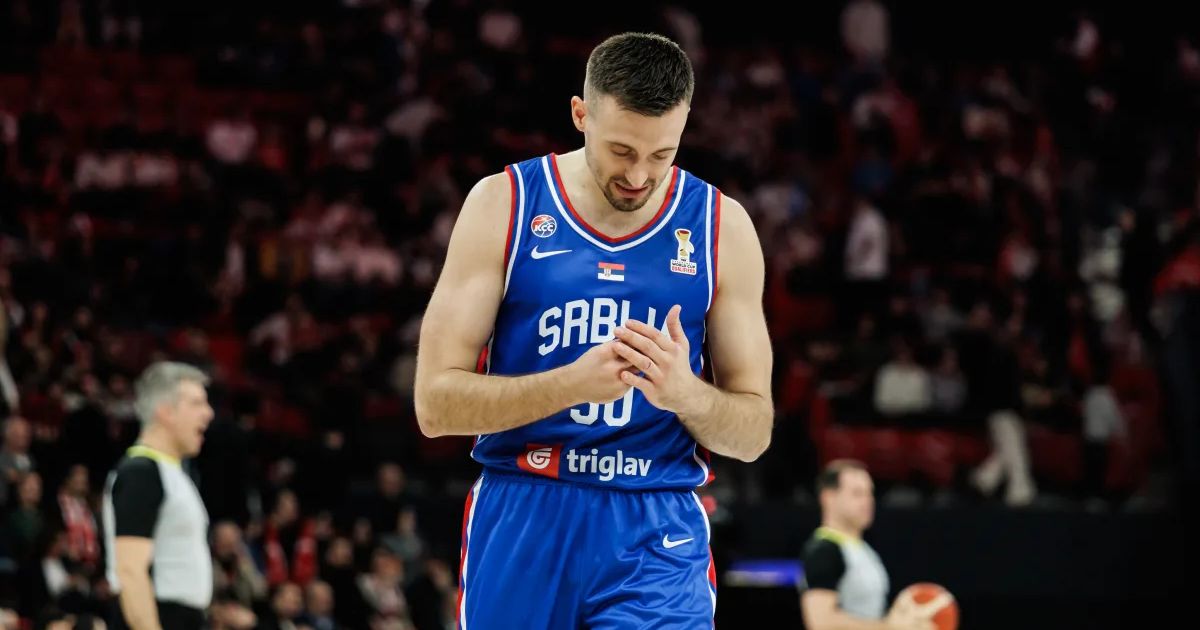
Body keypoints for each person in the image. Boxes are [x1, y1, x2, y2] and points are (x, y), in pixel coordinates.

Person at [415, 32, 774, 628]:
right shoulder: (505, 203)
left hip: (655, 520)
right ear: (581, 115)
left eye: (661, 154)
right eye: (622, 150)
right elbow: (434, 406)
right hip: (525, 504)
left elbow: (753, 432)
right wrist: (571, 384)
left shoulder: (721, 227)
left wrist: (684, 393)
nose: (639, 174)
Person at [100, 362, 215, 630]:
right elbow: (130, 571)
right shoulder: (141, 472)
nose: (208, 413)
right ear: (166, 412)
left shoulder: (171, 472)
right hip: (157, 617)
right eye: (196, 403)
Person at [799, 460, 951, 630]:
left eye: (869, 493)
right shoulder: (823, 550)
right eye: (857, 493)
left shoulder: (864, 549)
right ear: (828, 498)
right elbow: (821, 622)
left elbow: (872, 614)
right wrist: (890, 627)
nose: (867, 501)